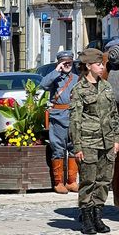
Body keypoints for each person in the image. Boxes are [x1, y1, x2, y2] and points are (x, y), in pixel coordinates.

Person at [69, 48, 119, 234]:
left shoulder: (106, 86)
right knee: (88, 181)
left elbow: (114, 115)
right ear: (89, 66)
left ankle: (98, 216)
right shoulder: (79, 90)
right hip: (88, 142)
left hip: (107, 142)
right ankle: (87, 218)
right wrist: (77, 146)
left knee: (104, 181)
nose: (102, 67)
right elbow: (75, 120)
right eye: (99, 64)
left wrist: (117, 138)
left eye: (102, 64)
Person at [40, 50, 79, 194]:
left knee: (74, 148)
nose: (67, 64)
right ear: (59, 62)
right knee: (58, 148)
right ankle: (58, 182)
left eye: (69, 62)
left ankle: (72, 181)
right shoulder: (54, 77)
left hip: (74, 116)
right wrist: (56, 70)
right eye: (64, 62)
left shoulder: (76, 78)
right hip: (58, 116)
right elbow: (43, 85)